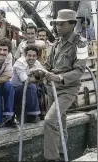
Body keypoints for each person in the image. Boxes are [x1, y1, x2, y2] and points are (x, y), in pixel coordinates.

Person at [44, 9, 87, 161]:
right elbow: (47, 65)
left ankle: (52, 158)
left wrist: (59, 77)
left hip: (68, 88)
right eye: (56, 24)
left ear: (72, 25)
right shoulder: (56, 44)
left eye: (61, 24)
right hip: (52, 88)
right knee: (59, 122)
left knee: (50, 120)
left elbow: (79, 71)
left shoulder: (81, 44)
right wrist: (39, 73)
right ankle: (62, 154)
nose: (57, 27)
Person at [11, 45, 42, 123]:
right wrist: (37, 78)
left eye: (34, 56)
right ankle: (32, 115)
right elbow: (26, 81)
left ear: (36, 57)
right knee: (31, 87)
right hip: (15, 90)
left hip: (26, 90)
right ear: (25, 55)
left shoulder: (37, 63)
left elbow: (42, 74)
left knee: (41, 87)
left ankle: (42, 113)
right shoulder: (20, 63)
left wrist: (39, 77)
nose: (31, 58)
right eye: (29, 55)